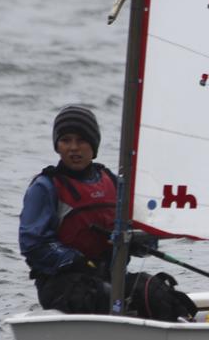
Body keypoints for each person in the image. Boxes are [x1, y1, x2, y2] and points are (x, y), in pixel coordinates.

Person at [18, 105, 196, 321]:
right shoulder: (45, 187)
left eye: (81, 140)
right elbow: (33, 244)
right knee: (105, 296)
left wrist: (142, 241)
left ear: (94, 146)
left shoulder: (113, 182)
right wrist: (75, 260)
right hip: (63, 284)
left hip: (110, 277)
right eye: (66, 140)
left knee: (156, 293)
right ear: (57, 146)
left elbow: (141, 233)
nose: (73, 148)